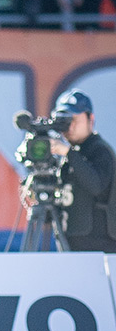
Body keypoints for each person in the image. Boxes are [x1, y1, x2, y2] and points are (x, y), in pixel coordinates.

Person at [49, 89, 116, 252]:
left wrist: (68, 153)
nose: (70, 126)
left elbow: (96, 185)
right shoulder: (67, 155)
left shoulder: (100, 150)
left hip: (100, 246)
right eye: (65, 120)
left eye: (75, 119)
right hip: (70, 243)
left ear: (90, 119)